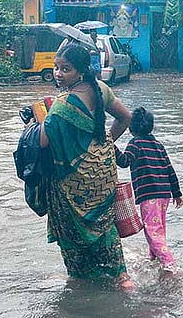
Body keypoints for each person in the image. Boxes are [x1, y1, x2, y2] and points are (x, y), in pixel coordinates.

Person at [34, 44, 134, 290]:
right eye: (57, 67)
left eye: (65, 69)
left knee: (72, 225)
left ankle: (81, 279)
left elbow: (42, 142)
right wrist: (106, 142)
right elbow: (125, 117)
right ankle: (122, 277)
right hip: (103, 171)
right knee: (104, 222)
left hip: (73, 178)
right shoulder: (100, 89)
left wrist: (37, 122)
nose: (58, 73)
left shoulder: (61, 107)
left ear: (79, 71)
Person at [115, 107, 183, 274]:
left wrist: (112, 146)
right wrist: (177, 193)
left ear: (131, 129)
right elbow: (169, 169)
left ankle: (169, 264)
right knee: (158, 227)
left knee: (152, 230)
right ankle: (154, 259)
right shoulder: (158, 145)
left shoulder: (135, 144)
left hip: (149, 195)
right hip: (164, 194)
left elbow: (124, 161)